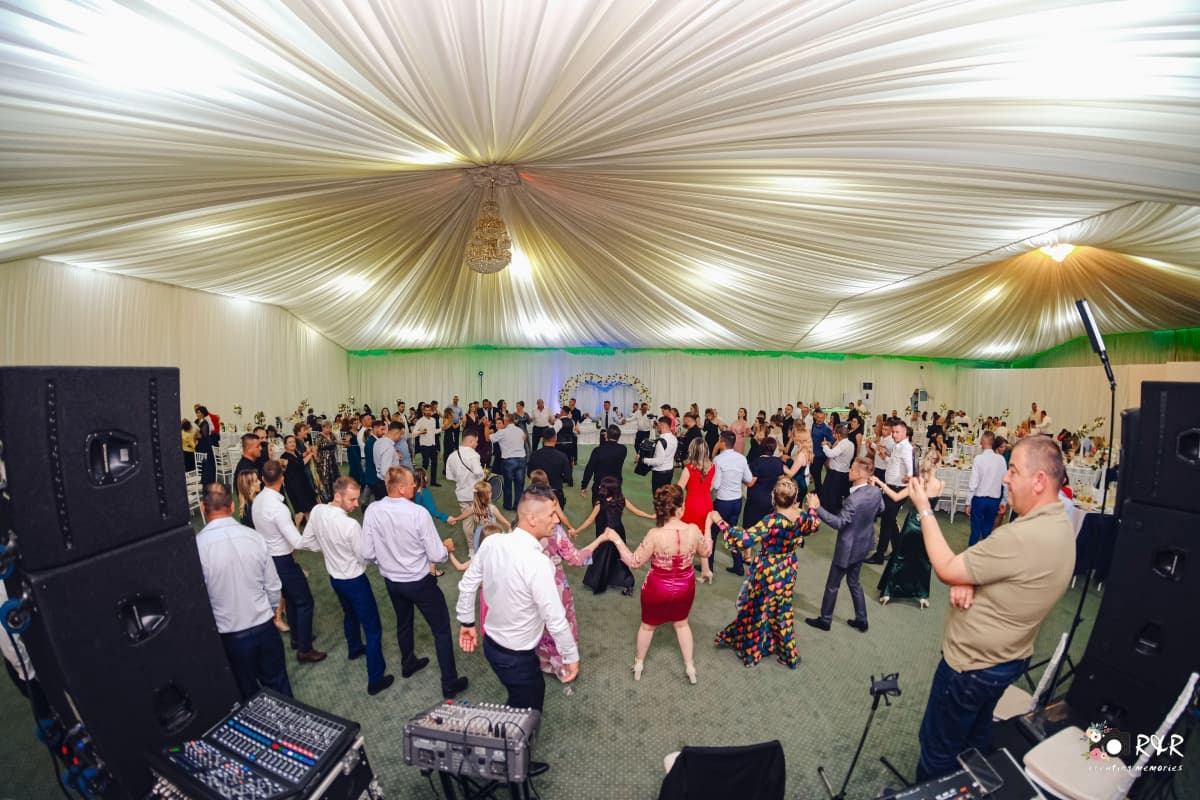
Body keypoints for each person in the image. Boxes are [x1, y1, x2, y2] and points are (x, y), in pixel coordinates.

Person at [907, 437, 1075, 781]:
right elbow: (1011, 571)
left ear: (1039, 480)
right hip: (1009, 658)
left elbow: (947, 568)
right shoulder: (1060, 523)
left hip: (971, 667)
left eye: (1013, 470)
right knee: (975, 738)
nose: (1005, 478)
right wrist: (970, 578)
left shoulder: (1020, 537)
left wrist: (924, 508)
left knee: (938, 750)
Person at [456, 491, 581, 716]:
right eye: (552, 514)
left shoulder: (492, 542)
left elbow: (468, 584)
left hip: (491, 645)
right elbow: (555, 618)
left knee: (520, 695)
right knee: (527, 711)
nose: (557, 520)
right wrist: (570, 657)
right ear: (532, 518)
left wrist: (467, 622)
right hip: (517, 657)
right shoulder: (539, 563)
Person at [362, 466, 468, 699]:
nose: (415, 485)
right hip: (420, 582)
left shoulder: (372, 510)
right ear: (401, 488)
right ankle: (449, 682)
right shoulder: (418, 513)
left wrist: (388, 559)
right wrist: (447, 548)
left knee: (403, 622)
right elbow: (437, 555)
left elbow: (367, 553)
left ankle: (408, 662)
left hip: (392, 581)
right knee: (441, 629)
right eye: (412, 483)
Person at [602, 484, 712, 684]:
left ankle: (639, 664)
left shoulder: (655, 535)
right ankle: (690, 667)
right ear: (680, 508)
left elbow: (634, 562)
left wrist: (616, 539)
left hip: (657, 588)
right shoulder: (693, 530)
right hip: (685, 587)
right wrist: (708, 526)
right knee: (682, 624)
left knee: (647, 627)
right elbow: (706, 552)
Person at [196, 482, 294, 699]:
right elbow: (273, 585)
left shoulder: (197, 548)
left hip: (230, 637)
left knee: (247, 696)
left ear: (203, 507)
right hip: (265, 627)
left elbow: (199, 599)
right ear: (232, 507)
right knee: (280, 687)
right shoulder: (255, 537)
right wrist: (272, 611)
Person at [712, 477, 819, 667]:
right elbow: (813, 525)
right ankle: (788, 655)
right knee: (783, 610)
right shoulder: (801, 517)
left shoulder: (771, 521)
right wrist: (812, 508)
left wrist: (719, 521)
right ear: (795, 499)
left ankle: (752, 651)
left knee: (758, 609)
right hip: (788, 569)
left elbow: (742, 540)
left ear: (773, 497)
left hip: (768, 571)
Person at [299, 477, 393, 695]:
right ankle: (376, 679)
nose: (356, 504)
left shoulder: (317, 511)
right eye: (352, 500)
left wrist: (326, 549)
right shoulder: (350, 525)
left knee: (349, 614)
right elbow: (364, 557)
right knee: (373, 629)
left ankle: (354, 648)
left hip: (335, 579)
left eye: (357, 499)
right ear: (337, 496)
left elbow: (306, 542)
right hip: (355, 581)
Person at [523, 482, 605, 677]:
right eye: (552, 512)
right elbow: (576, 558)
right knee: (560, 622)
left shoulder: (516, 530)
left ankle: (541, 660)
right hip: (556, 585)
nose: (556, 518)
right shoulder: (555, 532)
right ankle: (563, 663)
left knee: (538, 622)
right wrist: (600, 540)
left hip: (529, 587)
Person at [252, 460, 325, 661]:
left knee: (291, 598)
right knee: (305, 601)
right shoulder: (279, 508)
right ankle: (305, 649)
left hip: (268, 558)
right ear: (282, 479)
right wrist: (314, 528)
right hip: (282, 560)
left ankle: (297, 638)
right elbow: (298, 542)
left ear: (263, 478)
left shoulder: (258, 500)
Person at [805, 457, 884, 634]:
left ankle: (825, 620)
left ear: (859, 474)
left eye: (852, 469)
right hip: (864, 545)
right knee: (854, 582)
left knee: (833, 585)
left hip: (847, 549)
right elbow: (881, 509)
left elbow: (839, 523)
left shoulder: (853, 500)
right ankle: (862, 619)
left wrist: (817, 508)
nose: (849, 471)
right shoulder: (875, 491)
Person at [873, 451, 945, 608]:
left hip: (912, 523)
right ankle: (922, 594)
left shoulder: (916, 482)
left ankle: (888, 592)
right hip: (928, 525)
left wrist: (880, 482)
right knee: (924, 559)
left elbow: (896, 497)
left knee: (900, 556)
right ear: (938, 464)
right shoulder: (941, 484)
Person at [572, 475, 654, 596]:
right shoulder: (621, 500)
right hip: (618, 533)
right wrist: (650, 516)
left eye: (603, 486)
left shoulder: (600, 503)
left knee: (603, 558)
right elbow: (637, 512)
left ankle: (601, 582)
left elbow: (590, 520)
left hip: (607, 535)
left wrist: (577, 531)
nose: (600, 488)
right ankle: (627, 582)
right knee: (618, 558)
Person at [710, 430, 756, 578]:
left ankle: (708, 566)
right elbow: (748, 478)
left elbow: (716, 485)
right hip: (737, 501)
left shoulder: (718, 460)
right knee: (732, 533)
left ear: (722, 442)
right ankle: (738, 566)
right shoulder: (741, 458)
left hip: (722, 502)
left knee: (712, 534)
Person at [868, 419, 914, 564]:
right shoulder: (899, 446)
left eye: (897, 432)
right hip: (892, 487)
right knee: (890, 521)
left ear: (905, 433)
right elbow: (895, 464)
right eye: (893, 432)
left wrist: (909, 476)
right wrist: (885, 458)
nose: (894, 435)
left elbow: (911, 468)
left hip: (896, 489)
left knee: (886, 523)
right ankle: (897, 551)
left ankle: (879, 555)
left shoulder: (905, 448)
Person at [677, 438, 717, 583]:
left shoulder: (688, 469)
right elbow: (711, 487)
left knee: (686, 538)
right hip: (707, 505)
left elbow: (678, 489)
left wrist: (679, 505)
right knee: (702, 538)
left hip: (692, 504)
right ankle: (706, 571)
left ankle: (683, 569)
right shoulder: (712, 467)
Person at [445, 431, 486, 555]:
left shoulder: (452, 456)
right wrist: (484, 474)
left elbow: (449, 477)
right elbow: (478, 472)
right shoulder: (473, 455)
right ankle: (484, 545)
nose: (477, 444)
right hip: (476, 494)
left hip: (462, 494)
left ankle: (471, 549)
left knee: (467, 523)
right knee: (482, 519)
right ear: (471, 441)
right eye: (476, 441)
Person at [966, 430, 1008, 546]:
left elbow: (973, 483)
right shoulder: (1001, 460)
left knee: (975, 531)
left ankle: (972, 554)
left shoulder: (978, 459)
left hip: (979, 500)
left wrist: (968, 502)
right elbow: (1006, 483)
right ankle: (985, 553)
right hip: (994, 500)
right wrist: (1004, 501)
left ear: (983, 442)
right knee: (987, 530)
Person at [448, 479, 513, 553]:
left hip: (481, 533)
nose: (492, 493)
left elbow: (465, 514)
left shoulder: (474, 508)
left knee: (481, 551)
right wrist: (513, 529)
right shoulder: (492, 509)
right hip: (491, 533)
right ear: (485, 496)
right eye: (490, 492)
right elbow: (504, 522)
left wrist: (456, 519)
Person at [580, 425, 628, 507]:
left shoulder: (598, 450)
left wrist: (584, 485)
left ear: (606, 435)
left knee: (598, 507)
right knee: (613, 507)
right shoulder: (623, 449)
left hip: (600, 484)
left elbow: (589, 469)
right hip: (615, 484)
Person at [490, 413, 527, 510]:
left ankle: (507, 505)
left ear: (506, 421)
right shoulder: (520, 430)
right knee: (519, 485)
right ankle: (517, 505)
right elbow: (524, 438)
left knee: (508, 484)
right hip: (521, 459)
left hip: (509, 460)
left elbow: (489, 438)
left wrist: (486, 426)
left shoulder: (503, 432)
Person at [527, 429, 571, 506]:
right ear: (555, 439)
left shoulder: (534, 455)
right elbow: (568, 477)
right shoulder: (562, 456)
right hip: (556, 492)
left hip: (538, 492)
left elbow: (529, 474)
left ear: (542, 439)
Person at [819, 423, 855, 513]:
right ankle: (835, 509)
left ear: (838, 435)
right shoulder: (850, 444)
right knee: (837, 494)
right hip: (844, 471)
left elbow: (830, 454)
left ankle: (829, 511)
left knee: (831, 494)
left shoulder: (842, 444)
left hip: (836, 473)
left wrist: (824, 445)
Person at [640, 416, 678, 492]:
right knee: (666, 496)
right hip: (670, 472)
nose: (657, 427)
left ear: (662, 425)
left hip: (659, 474)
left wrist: (643, 460)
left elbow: (659, 461)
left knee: (658, 496)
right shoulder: (674, 438)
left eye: (658, 425)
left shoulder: (661, 441)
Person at [411, 404, 441, 486]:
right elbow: (413, 433)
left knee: (434, 463)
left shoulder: (433, 420)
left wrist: (441, 429)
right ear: (423, 411)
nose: (428, 412)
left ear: (431, 411)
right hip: (424, 445)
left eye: (429, 410)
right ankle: (421, 482)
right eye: (426, 410)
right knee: (426, 463)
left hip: (433, 444)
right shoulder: (420, 421)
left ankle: (433, 482)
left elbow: (434, 431)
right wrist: (420, 432)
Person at [809, 411, 833, 495]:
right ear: (815, 417)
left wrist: (827, 443)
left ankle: (819, 492)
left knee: (816, 472)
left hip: (821, 455)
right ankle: (818, 488)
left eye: (822, 418)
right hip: (813, 453)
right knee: (812, 471)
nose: (819, 419)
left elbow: (832, 440)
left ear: (824, 418)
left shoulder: (826, 429)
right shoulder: (814, 425)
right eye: (818, 417)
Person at [314, 422, 339, 503]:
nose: (329, 429)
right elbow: (315, 448)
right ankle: (326, 497)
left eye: (330, 427)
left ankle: (334, 495)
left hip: (332, 459)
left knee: (334, 477)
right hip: (323, 460)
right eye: (327, 428)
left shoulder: (332, 435)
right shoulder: (319, 436)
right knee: (325, 478)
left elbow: (336, 442)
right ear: (323, 428)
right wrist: (316, 457)